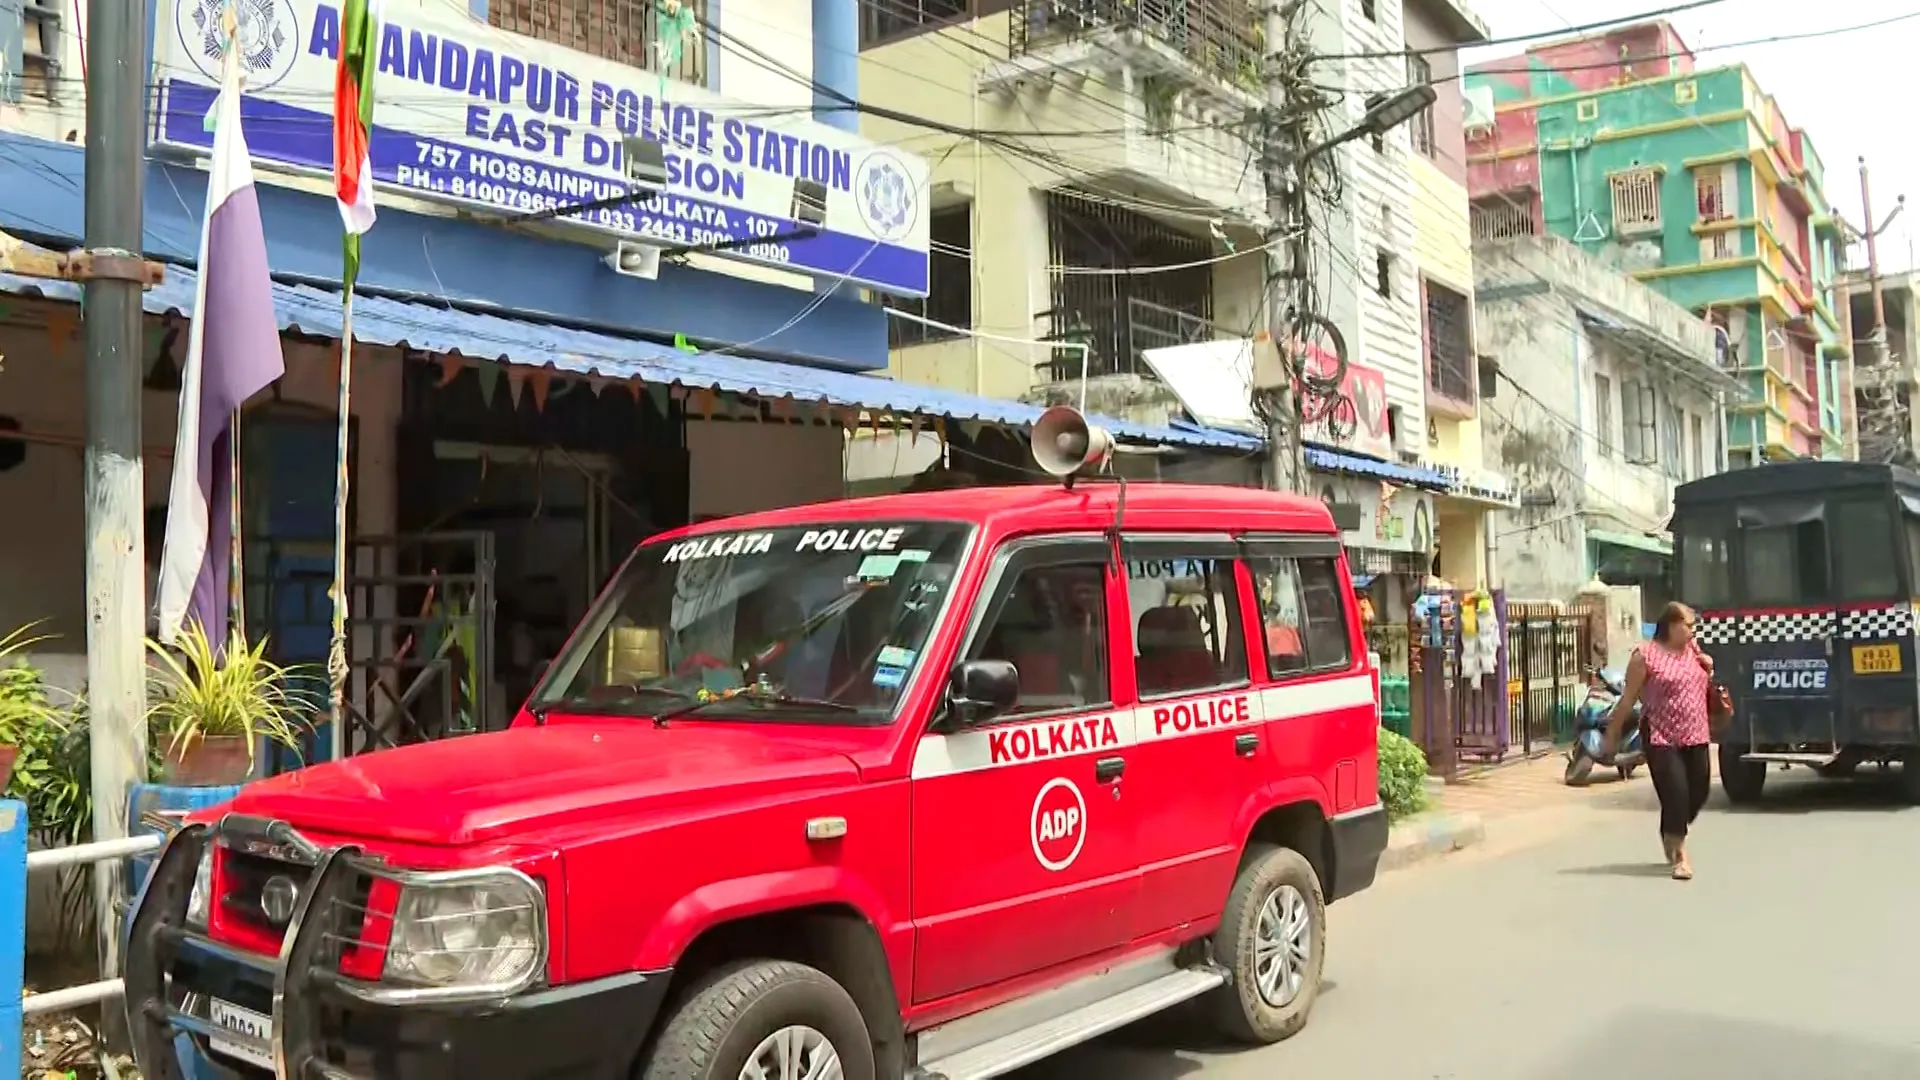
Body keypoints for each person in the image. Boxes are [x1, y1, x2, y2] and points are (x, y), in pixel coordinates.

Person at [1603, 602, 1714, 880]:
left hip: (1696, 733)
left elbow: (1700, 682)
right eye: (1688, 625)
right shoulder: (1645, 656)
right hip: (1662, 736)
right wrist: (1612, 735)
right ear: (1671, 625)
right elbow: (1628, 698)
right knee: (1676, 795)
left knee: (1698, 792)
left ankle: (1671, 829)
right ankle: (1680, 855)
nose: (1693, 630)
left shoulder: (1693, 650)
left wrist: (1708, 668)